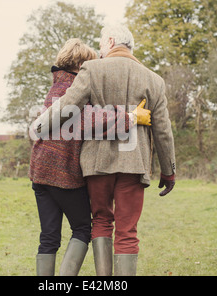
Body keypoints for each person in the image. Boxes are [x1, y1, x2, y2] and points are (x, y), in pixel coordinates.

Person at [33, 25, 176, 276]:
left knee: (100, 222)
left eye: (100, 44)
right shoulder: (154, 80)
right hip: (134, 163)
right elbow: (163, 130)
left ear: (110, 41)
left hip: (97, 165)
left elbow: (68, 106)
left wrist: (40, 125)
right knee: (127, 230)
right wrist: (169, 171)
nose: (99, 51)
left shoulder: (92, 70)